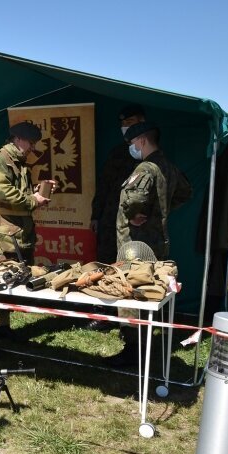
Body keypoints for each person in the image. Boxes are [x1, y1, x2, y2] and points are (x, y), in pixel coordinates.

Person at [105, 121, 192, 366]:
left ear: (142, 140)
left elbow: (134, 199)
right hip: (157, 242)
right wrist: (158, 212)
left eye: (133, 143)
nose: (132, 147)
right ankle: (145, 344)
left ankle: (133, 349)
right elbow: (186, 192)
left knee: (132, 292)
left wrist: (137, 213)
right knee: (152, 292)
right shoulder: (168, 167)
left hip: (136, 245)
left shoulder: (145, 168)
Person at [0, 121, 52, 356]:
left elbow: (17, 192)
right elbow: (2, 193)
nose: (32, 148)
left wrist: (39, 193)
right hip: (3, 233)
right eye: (31, 143)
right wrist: (33, 200)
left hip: (18, 230)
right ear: (18, 139)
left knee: (14, 279)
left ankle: (3, 328)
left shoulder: (18, 162)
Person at [86, 104, 146, 332]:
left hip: (133, 226)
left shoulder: (148, 156)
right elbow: (103, 186)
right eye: (123, 125)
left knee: (130, 269)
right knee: (104, 265)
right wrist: (96, 215)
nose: (125, 129)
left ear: (142, 122)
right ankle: (102, 315)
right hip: (110, 220)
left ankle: (128, 321)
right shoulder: (117, 152)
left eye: (130, 124)